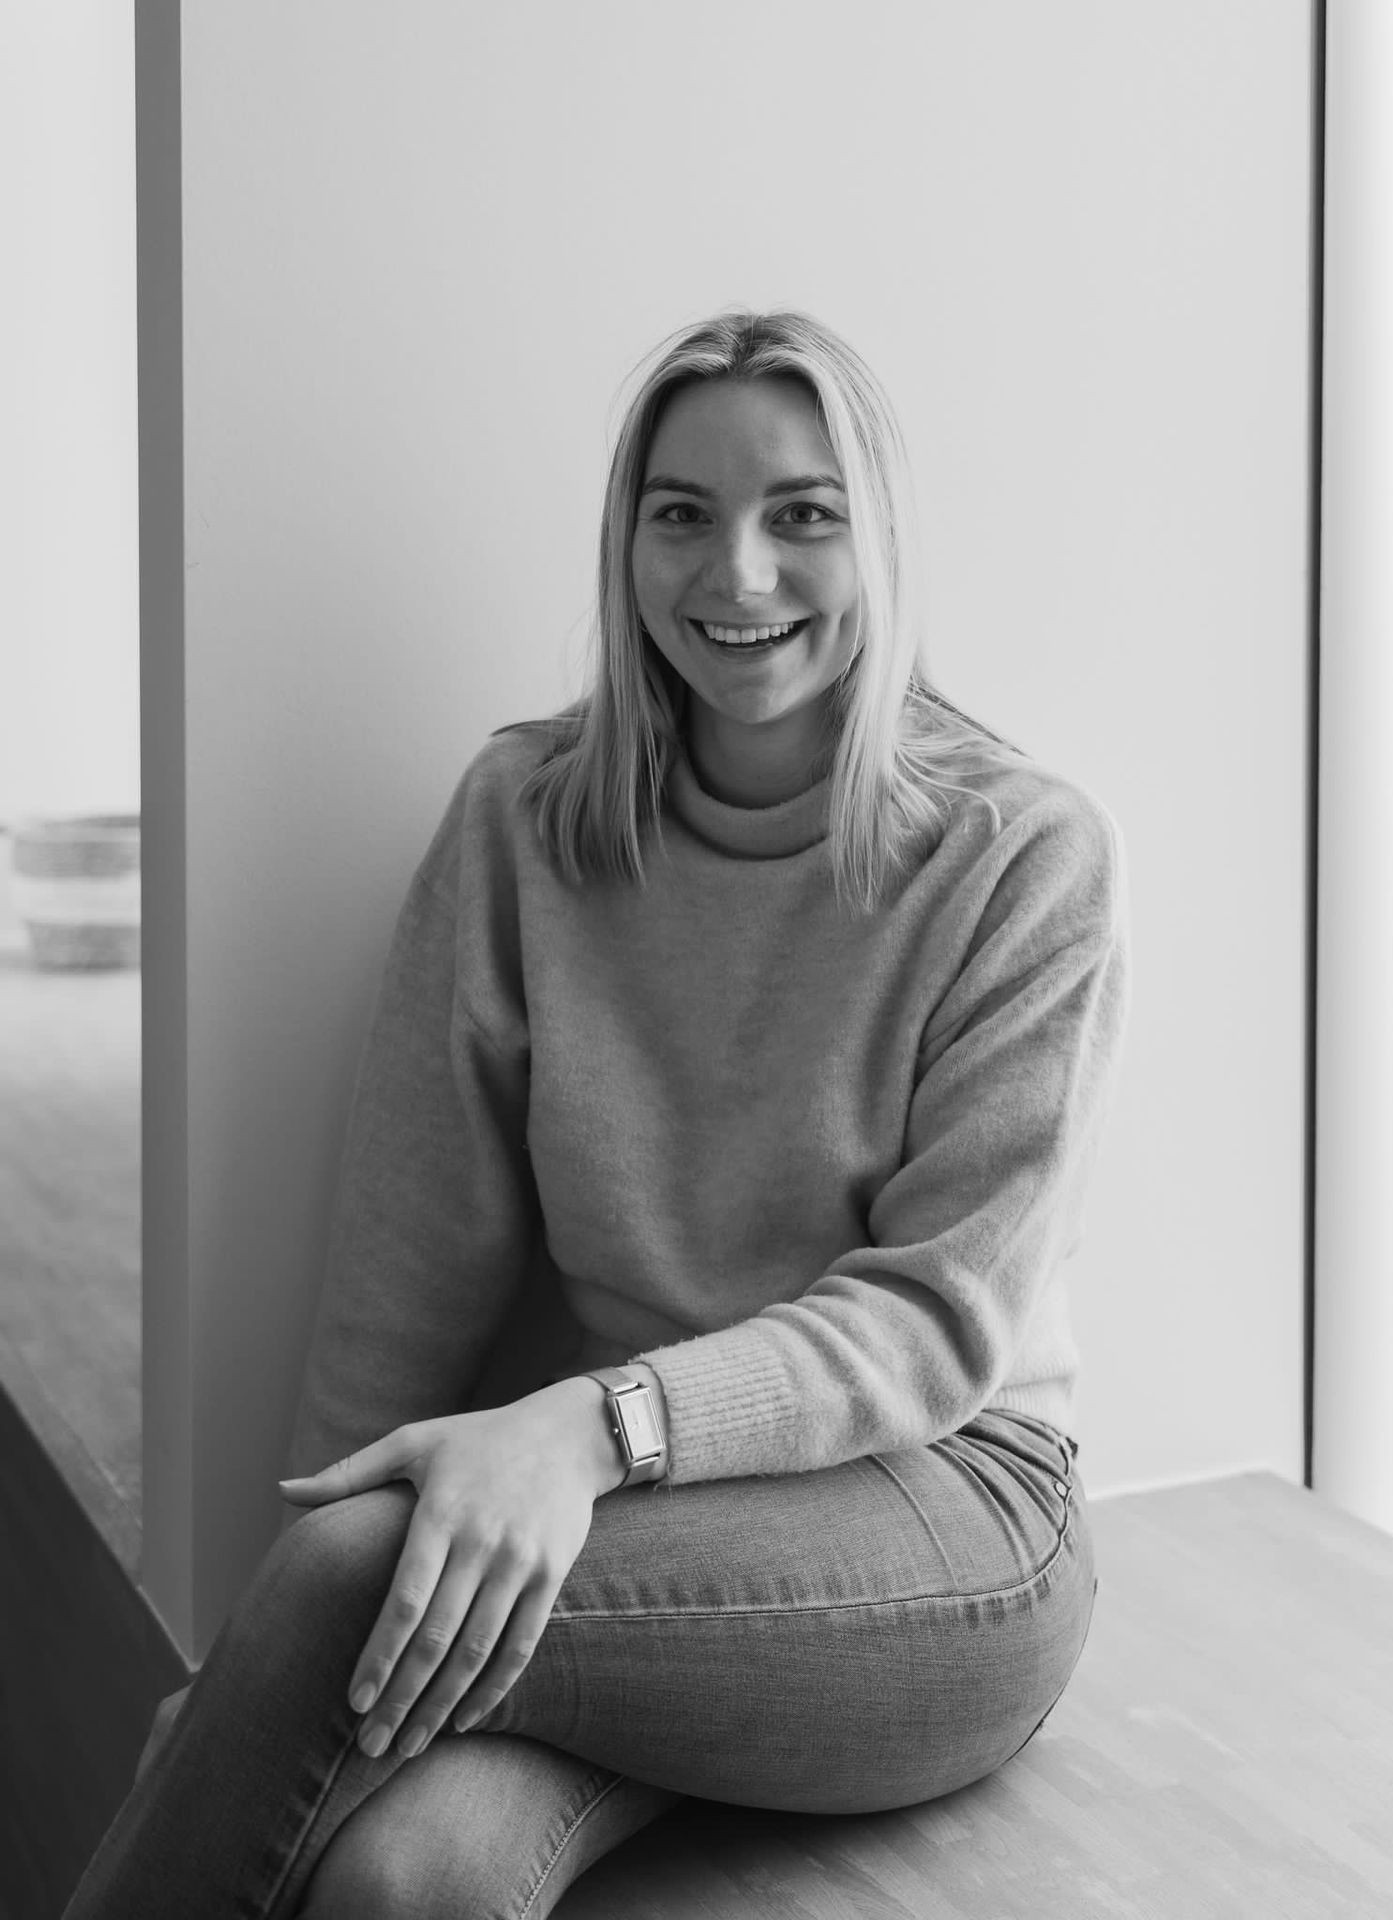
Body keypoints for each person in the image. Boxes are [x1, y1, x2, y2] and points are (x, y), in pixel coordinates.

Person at [65, 309, 1128, 1918]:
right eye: (683, 514)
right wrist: (248, 1675)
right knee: (406, 1882)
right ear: (627, 541)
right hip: (645, 1541)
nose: (740, 574)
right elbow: (408, 1265)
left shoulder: (1019, 855)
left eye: (804, 515)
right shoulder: (523, 822)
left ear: (880, 539)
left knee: (359, 1582)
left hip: (949, 1520)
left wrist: (597, 1426)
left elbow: (935, 1320)